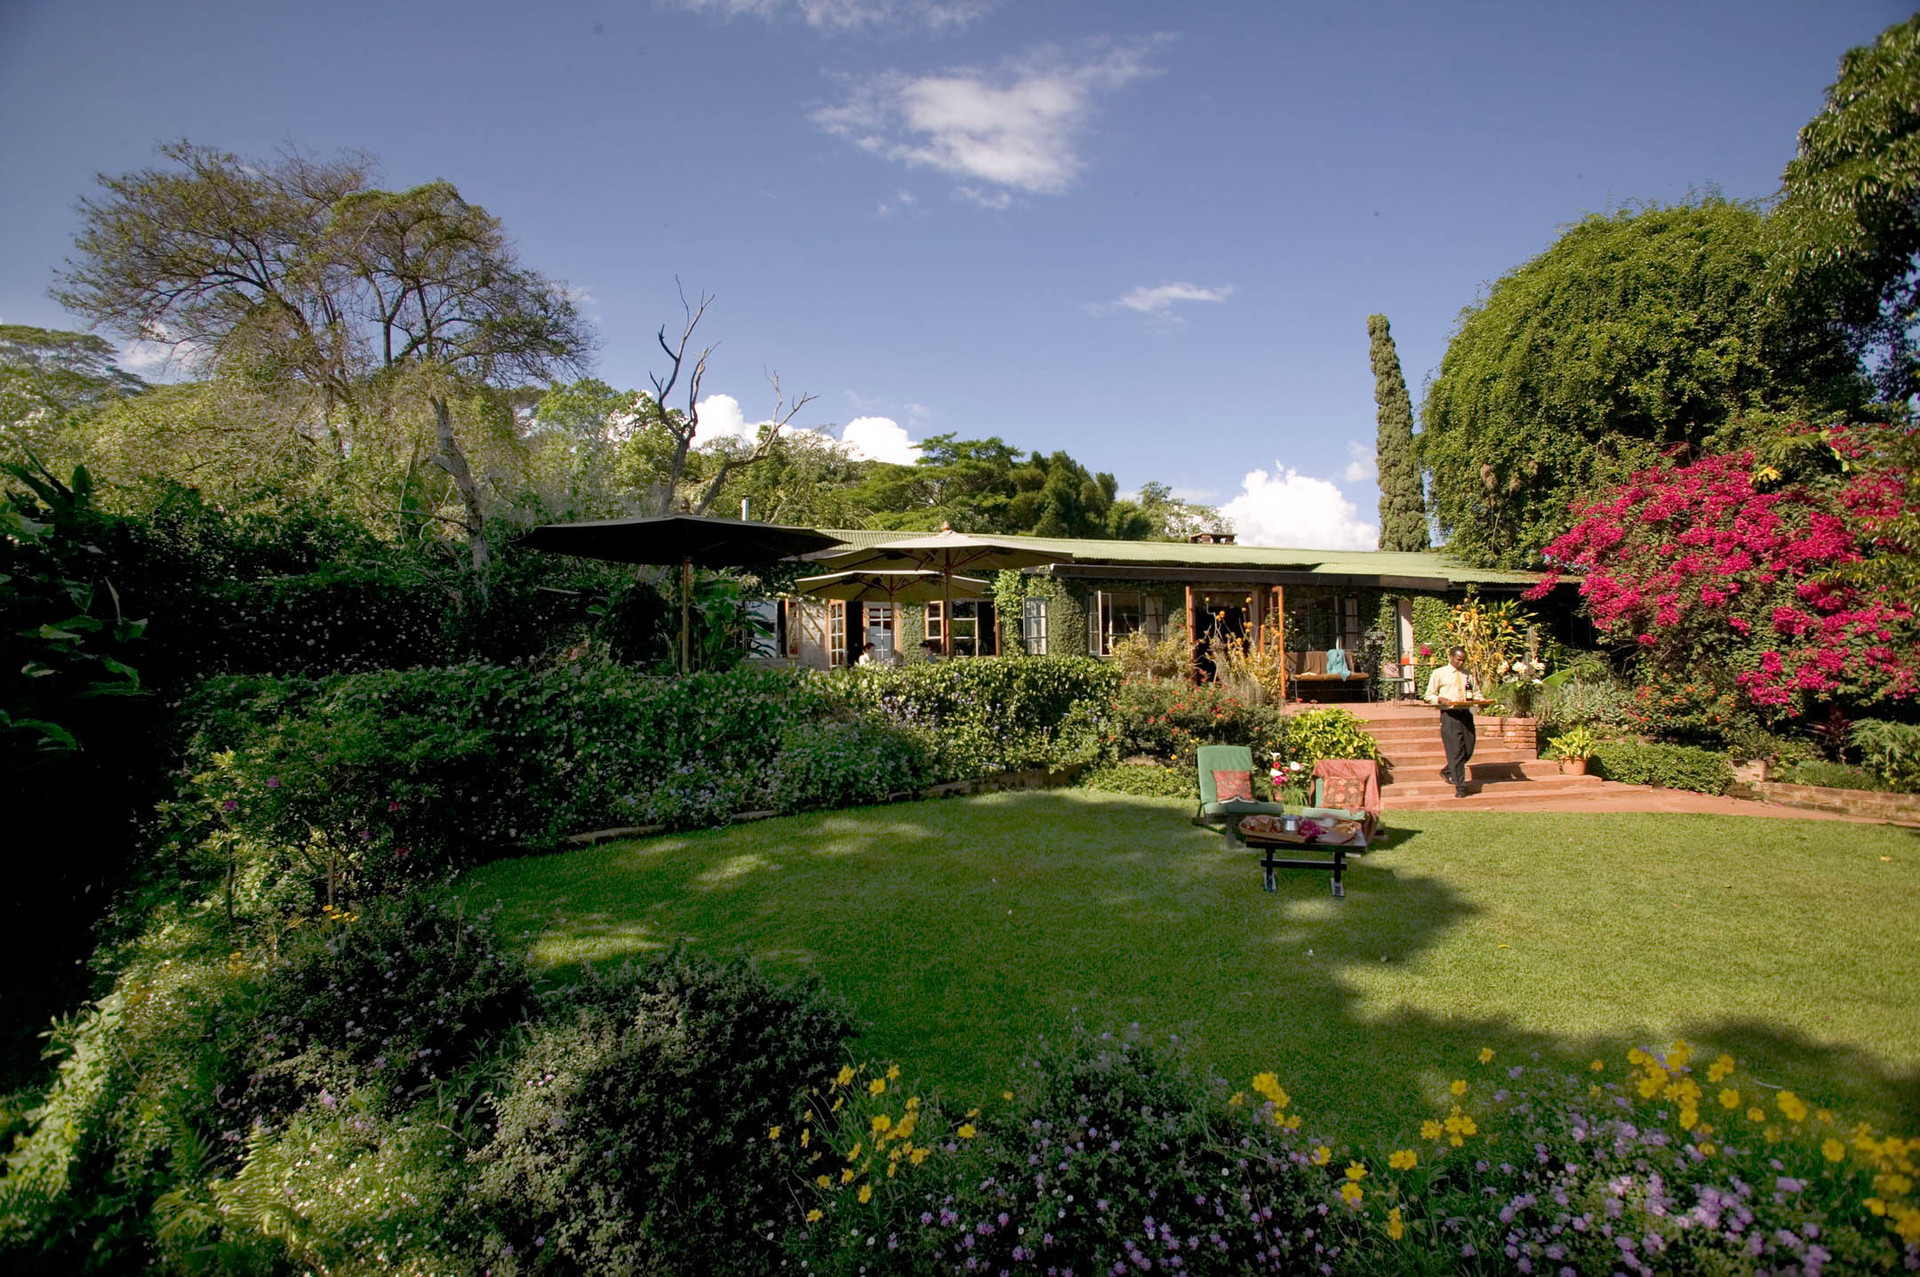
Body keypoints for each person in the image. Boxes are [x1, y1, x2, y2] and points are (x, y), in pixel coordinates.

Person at [1423, 645, 1480, 798]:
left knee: (1468, 749)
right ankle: (1460, 786)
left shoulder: (1467, 675)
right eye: (1458, 660)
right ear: (1451, 657)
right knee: (1455, 752)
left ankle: (1448, 771)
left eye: (1463, 661)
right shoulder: (1439, 673)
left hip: (1465, 713)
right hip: (1450, 715)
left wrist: (1480, 700)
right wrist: (1439, 699)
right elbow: (1429, 695)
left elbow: (1476, 693)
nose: (1461, 663)